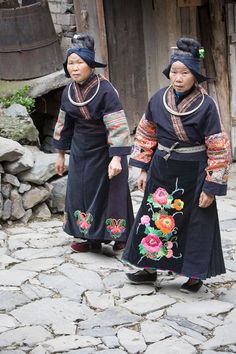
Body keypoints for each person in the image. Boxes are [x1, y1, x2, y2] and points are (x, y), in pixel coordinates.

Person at [122, 37, 231, 292]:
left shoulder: (206, 106)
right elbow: (146, 133)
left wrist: (211, 186)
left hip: (194, 169)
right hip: (162, 167)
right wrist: (144, 167)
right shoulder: (158, 99)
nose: (179, 78)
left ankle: (193, 274)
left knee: (195, 221)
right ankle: (148, 267)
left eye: (185, 72)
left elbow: (218, 146)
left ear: (195, 75)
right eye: (174, 72)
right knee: (154, 217)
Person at [53, 33, 133, 253]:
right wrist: (60, 155)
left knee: (112, 192)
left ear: (90, 65)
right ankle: (86, 236)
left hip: (106, 148)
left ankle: (119, 235)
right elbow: (64, 124)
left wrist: (117, 158)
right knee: (81, 191)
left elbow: (117, 124)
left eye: (79, 63)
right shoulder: (68, 91)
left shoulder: (106, 89)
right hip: (81, 148)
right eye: (71, 63)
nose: (75, 68)